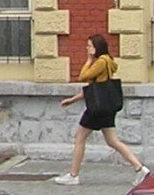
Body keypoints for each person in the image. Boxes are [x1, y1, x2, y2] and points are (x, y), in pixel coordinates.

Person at [54, 33, 147, 186]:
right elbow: (95, 87)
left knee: (80, 138)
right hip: (106, 107)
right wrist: (72, 100)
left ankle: (73, 175)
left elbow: (83, 77)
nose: (87, 48)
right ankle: (139, 168)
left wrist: (89, 60)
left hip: (96, 108)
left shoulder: (100, 62)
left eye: (89, 45)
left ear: (96, 48)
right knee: (113, 141)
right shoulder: (109, 61)